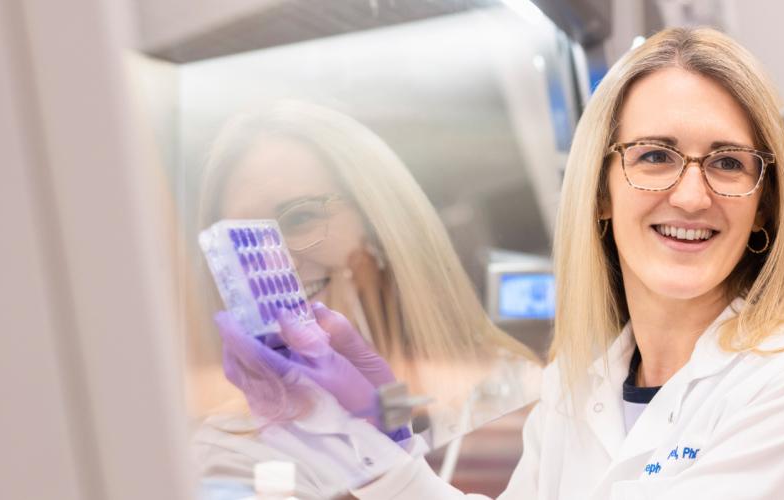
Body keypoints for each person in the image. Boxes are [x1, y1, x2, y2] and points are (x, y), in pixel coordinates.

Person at [235, 27, 784, 499]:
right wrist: (366, 434)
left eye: (729, 163)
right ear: (600, 194)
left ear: (763, 205)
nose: (691, 192)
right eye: (655, 155)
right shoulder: (576, 385)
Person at [190, 100, 542, 495]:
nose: (279, 261)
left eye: (300, 218)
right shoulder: (232, 453)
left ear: (381, 222)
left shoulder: (512, 385)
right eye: (247, 240)